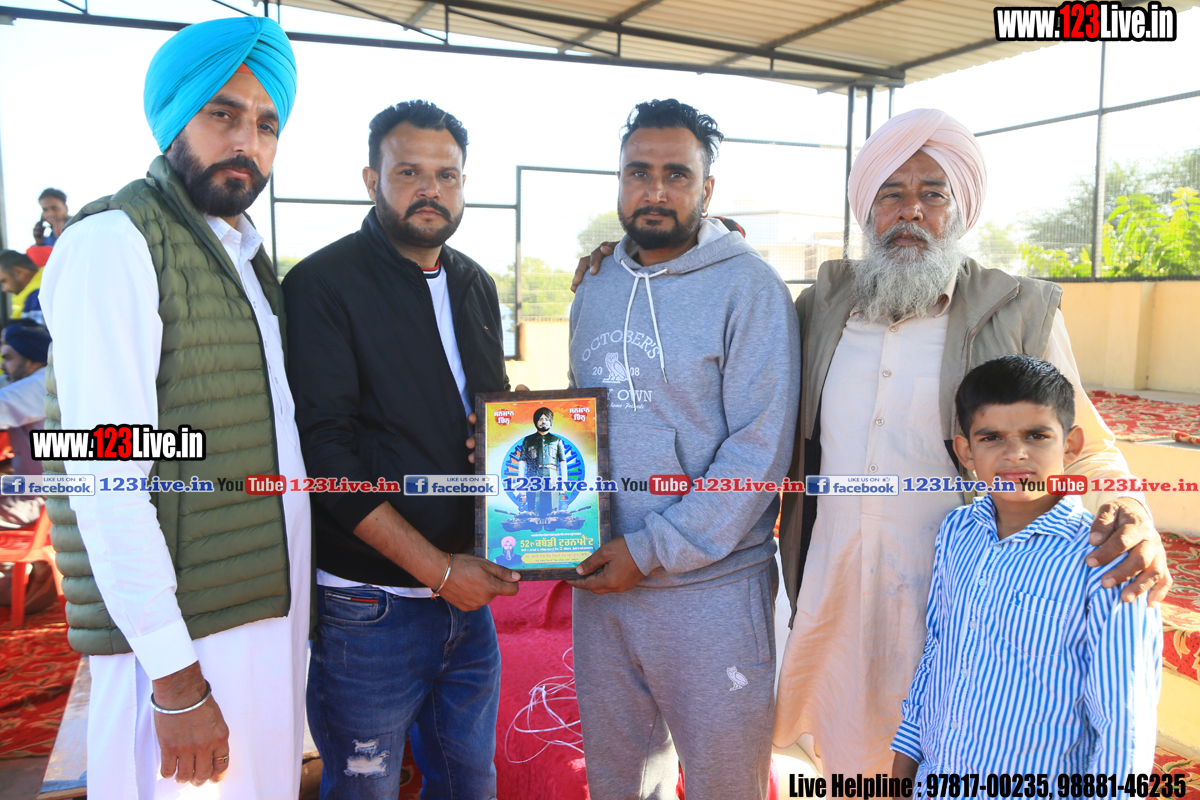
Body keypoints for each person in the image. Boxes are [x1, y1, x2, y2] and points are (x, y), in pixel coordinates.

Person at [771, 108, 1170, 775]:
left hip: (956, 591)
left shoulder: (1015, 310)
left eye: (933, 193)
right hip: (836, 588)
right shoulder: (823, 306)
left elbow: (1089, 444)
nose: (910, 210)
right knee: (847, 763)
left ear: (960, 211)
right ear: (866, 210)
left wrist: (1132, 514)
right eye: (891, 193)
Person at [41, 16, 309, 797]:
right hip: (183, 649)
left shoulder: (244, 257)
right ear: (174, 121)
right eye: (223, 113)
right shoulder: (116, 241)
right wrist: (176, 678)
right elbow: (107, 474)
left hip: (262, 622)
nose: (247, 141)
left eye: (267, 124)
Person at [282, 99, 518, 800]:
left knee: (470, 784)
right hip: (370, 608)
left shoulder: (475, 282)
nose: (430, 190)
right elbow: (326, 456)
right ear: (371, 180)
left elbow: (489, 413)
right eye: (409, 172)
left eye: (447, 175)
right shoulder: (322, 285)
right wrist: (437, 572)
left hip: (467, 600)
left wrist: (494, 433)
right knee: (366, 790)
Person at [566, 99, 800, 800]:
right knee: (619, 785)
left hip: (710, 595)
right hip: (603, 588)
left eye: (677, 174)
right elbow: (584, 418)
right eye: (639, 172)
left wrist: (651, 550)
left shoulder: (749, 288)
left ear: (707, 188)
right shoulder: (595, 285)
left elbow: (758, 451)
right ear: (619, 181)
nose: (656, 190)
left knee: (724, 785)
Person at [892, 354, 1161, 777]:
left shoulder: (1107, 557)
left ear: (1070, 445)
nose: (1015, 454)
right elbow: (937, 653)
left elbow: (1124, 722)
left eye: (1036, 436)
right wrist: (904, 768)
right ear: (966, 451)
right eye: (992, 438)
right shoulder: (957, 532)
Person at [0, 322, 50, 530]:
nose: (3, 365)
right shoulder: (44, 378)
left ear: (32, 361)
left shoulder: (38, 385)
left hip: (39, 498)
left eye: (8, 358)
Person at [518, 406, 567, 515]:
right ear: (535, 421)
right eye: (540, 419)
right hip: (533, 476)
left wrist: (564, 483)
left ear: (551, 422)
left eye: (546, 419)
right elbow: (522, 462)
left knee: (553, 510)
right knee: (533, 510)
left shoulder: (556, 440)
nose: (543, 422)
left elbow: (563, 462)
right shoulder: (528, 440)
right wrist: (521, 483)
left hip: (553, 477)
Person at [0, 250, 44, 323]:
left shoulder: (36, 296)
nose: (4, 289)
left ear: (19, 272)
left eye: (4, 281)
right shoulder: (44, 285)